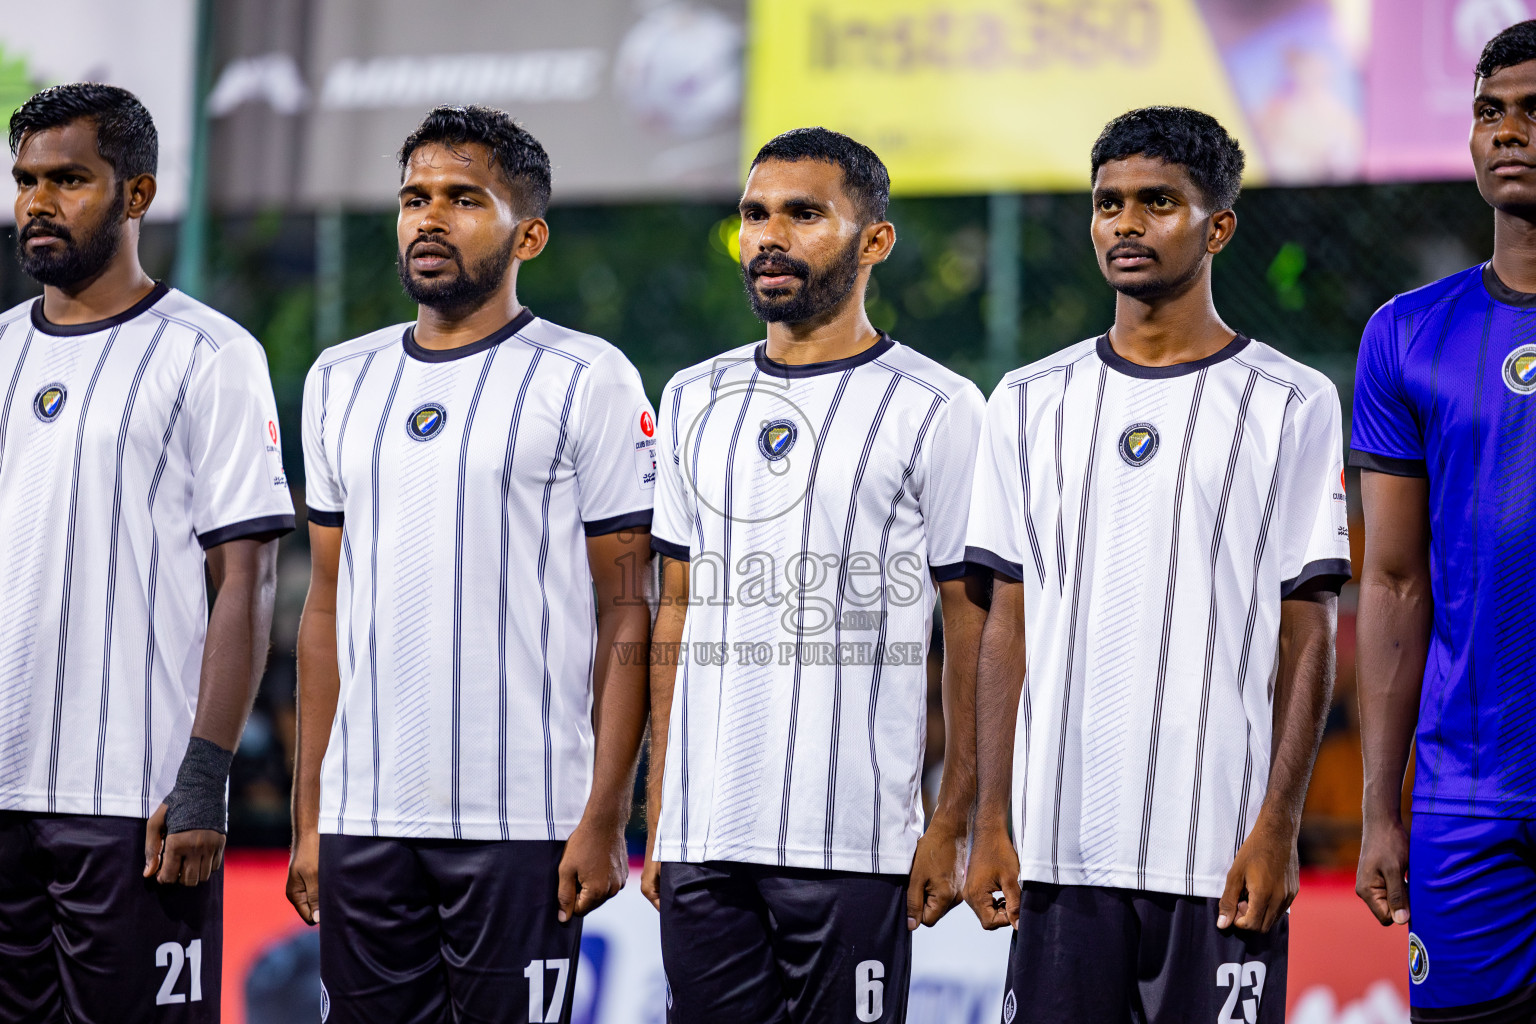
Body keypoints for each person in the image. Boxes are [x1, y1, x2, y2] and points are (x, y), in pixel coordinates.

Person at [963, 106, 1349, 1022]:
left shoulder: (1292, 401)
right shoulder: (1026, 400)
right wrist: (987, 821)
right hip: (1059, 855)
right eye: (1108, 203)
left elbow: (1309, 631)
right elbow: (1003, 625)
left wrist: (1278, 826)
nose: (1126, 223)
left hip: (1216, 852)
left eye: (1158, 202)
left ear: (1217, 227)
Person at [288, 105, 655, 1024]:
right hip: (366, 818)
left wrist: (607, 814)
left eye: (463, 198)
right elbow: (325, 608)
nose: (430, 218)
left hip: (523, 818)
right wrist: (310, 817)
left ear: (528, 232)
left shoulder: (588, 375)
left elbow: (629, 611)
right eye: (414, 198)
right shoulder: (338, 377)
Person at [643, 126, 988, 1024]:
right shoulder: (691, 394)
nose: (771, 236)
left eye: (804, 214)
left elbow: (974, 629)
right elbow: (673, 611)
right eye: (756, 215)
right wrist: (660, 813)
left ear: (874, 241)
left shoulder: (939, 405)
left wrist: (952, 820)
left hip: (854, 842)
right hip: (703, 838)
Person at [0, 84, 294, 1022]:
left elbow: (244, 578)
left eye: (69, 179)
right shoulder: (1, 350)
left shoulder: (211, 354)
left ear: (136, 194)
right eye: (26, 181)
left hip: (136, 802)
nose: (38, 201)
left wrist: (204, 774)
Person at [1353, 21, 1536, 1022]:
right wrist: (1383, 811)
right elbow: (1389, 582)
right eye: (1488, 112)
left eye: (1534, 110)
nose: (1508, 132)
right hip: (1466, 803)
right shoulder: (1408, 334)